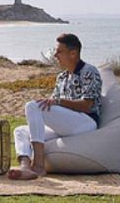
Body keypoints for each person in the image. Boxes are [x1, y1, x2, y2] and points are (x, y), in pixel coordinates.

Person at [8, 33, 102, 180]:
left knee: (33, 106)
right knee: (20, 131)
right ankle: (26, 168)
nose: (55, 55)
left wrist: (58, 102)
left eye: (59, 51)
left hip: (85, 122)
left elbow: (87, 105)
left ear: (73, 53)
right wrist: (53, 102)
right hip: (65, 125)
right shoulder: (62, 77)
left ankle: (39, 165)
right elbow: (53, 105)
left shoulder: (89, 72)